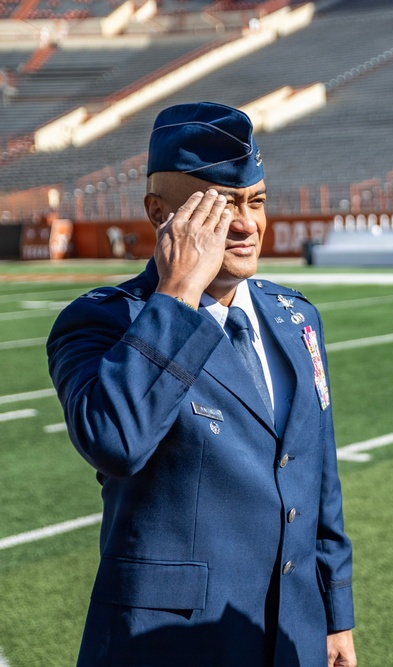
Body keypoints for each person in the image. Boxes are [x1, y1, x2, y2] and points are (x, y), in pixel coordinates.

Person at [47, 102, 356, 667]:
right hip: (168, 643)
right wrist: (178, 294)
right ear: (158, 212)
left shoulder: (295, 317)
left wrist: (334, 614)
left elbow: (317, 474)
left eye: (254, 202)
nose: (245, 225)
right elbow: (115, 442)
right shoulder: (102, 321)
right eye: (218, 207)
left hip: (292, 631)